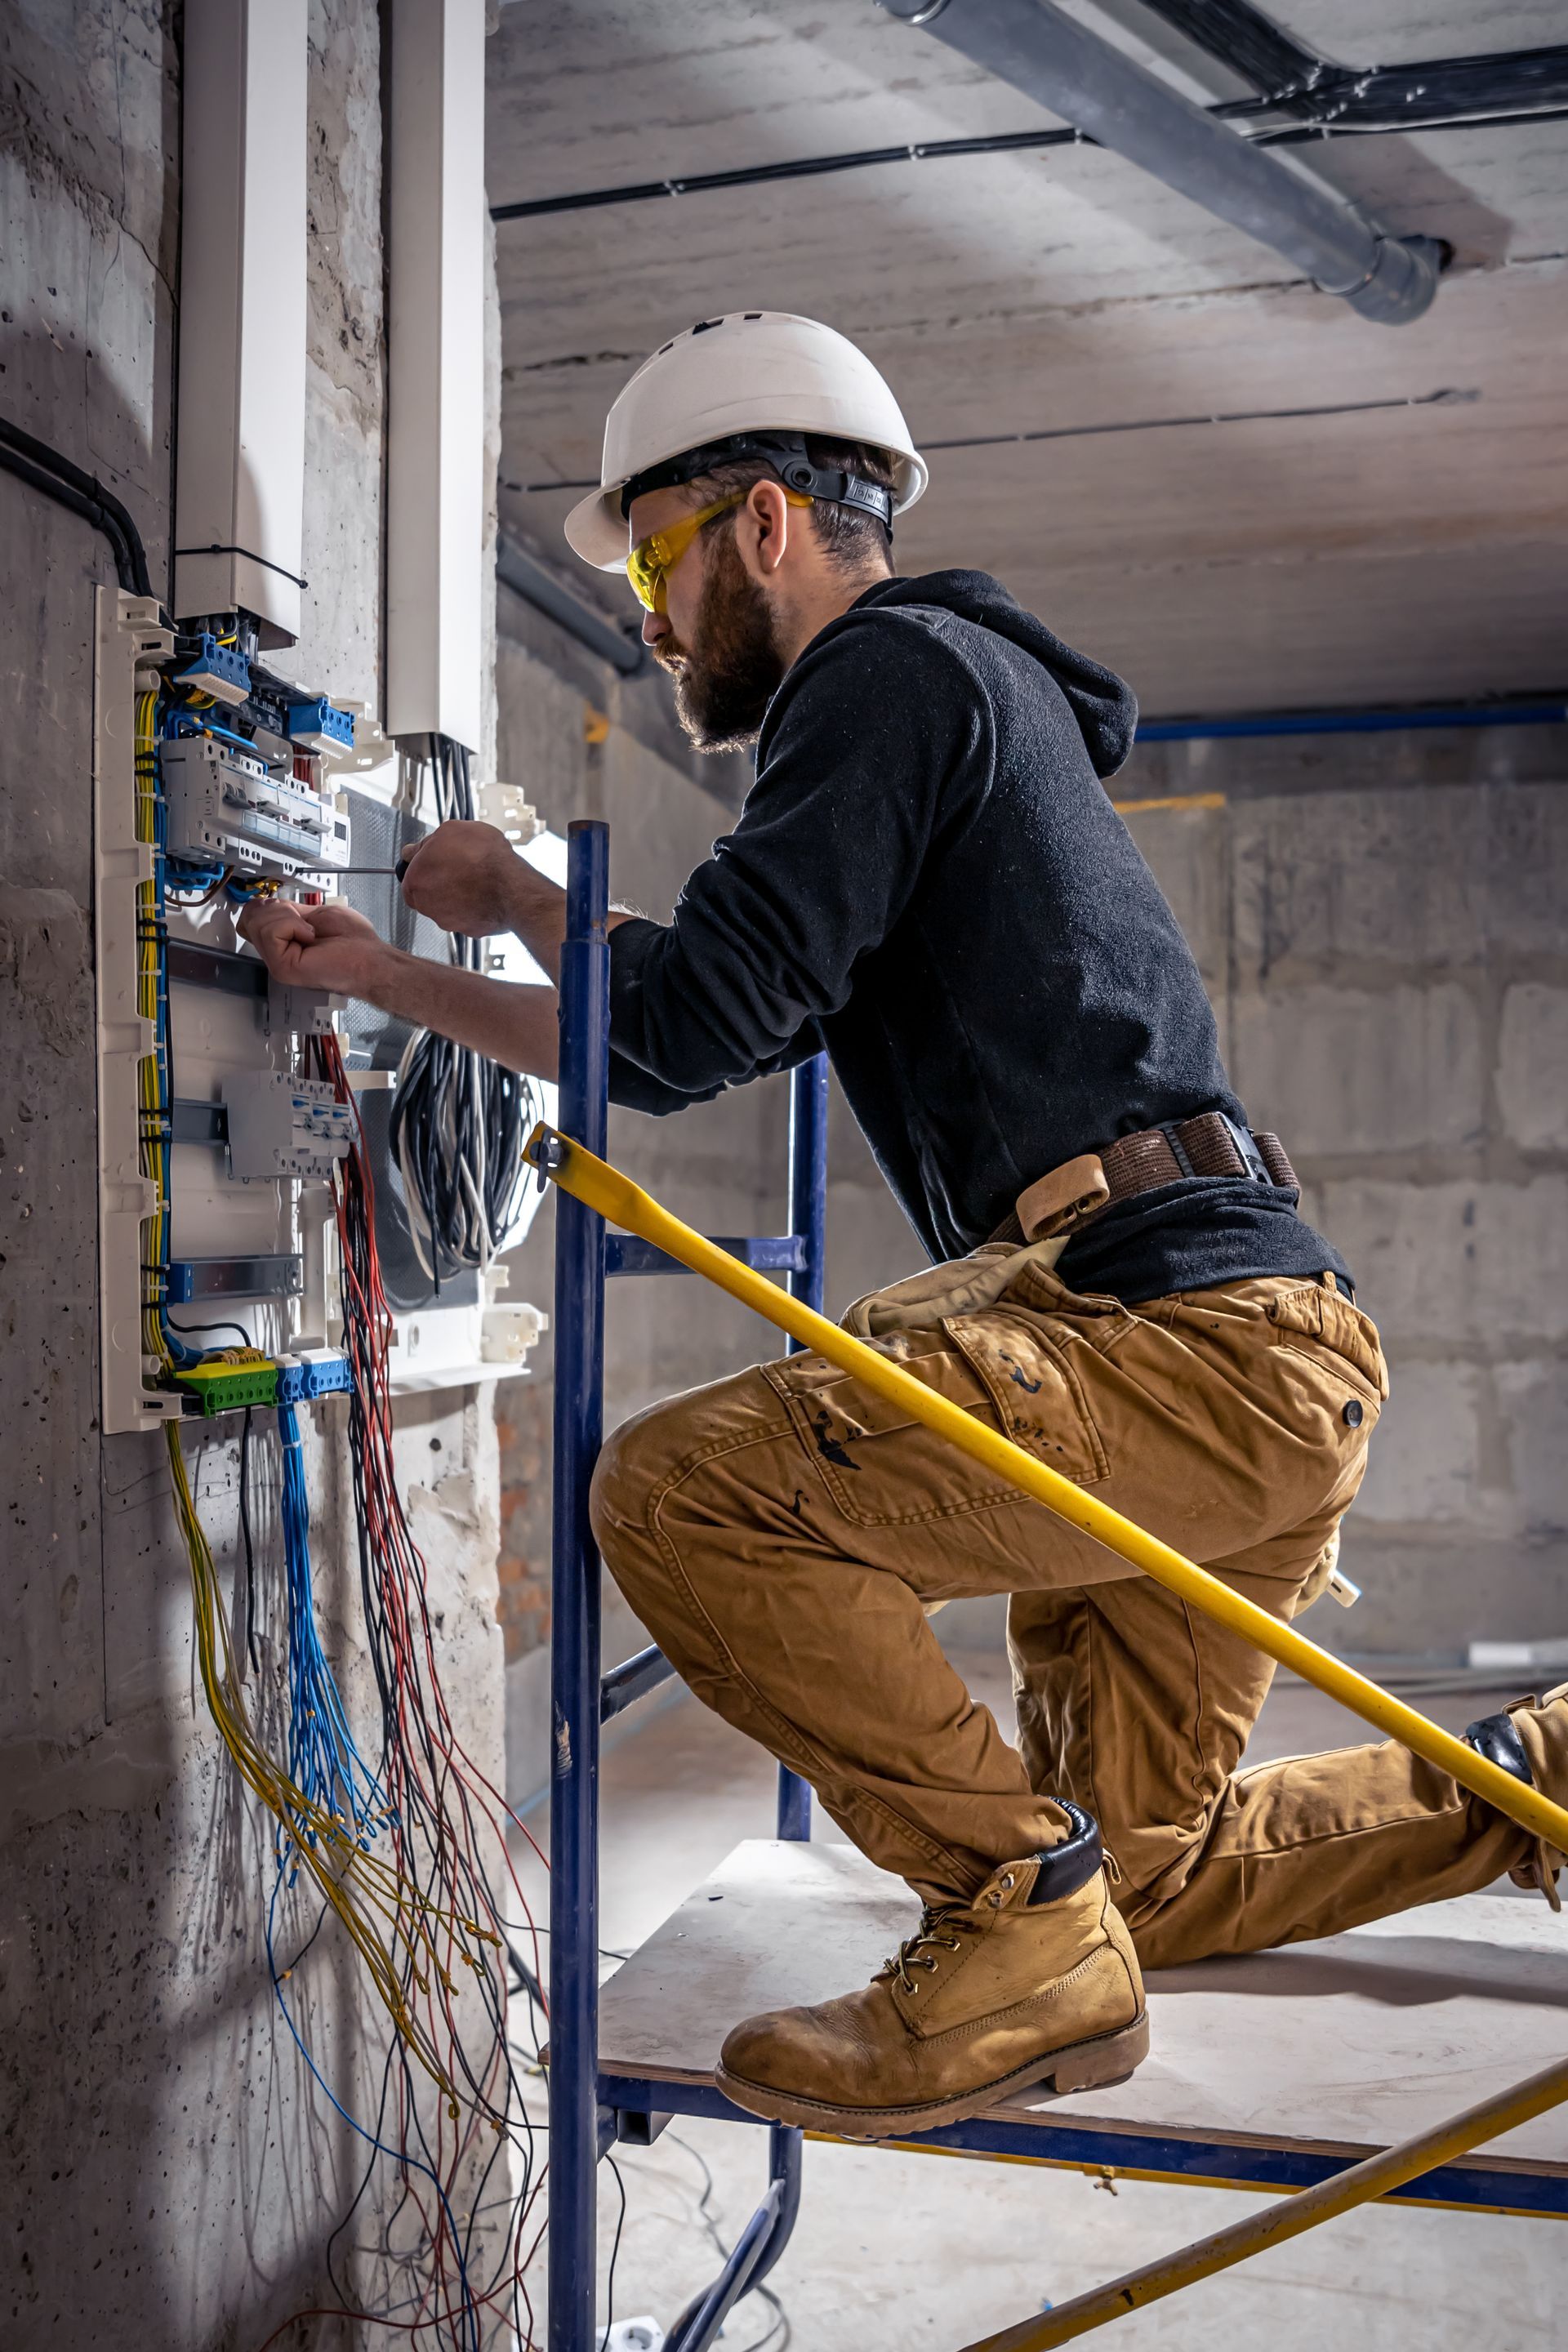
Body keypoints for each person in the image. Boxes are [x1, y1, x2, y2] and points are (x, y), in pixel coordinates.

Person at [240, 311, 1566, 2142]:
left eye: (655, 555)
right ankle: (1535, 1784)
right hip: (1258, 1349)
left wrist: (423, 943)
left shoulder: (881, 673)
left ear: (766, 522)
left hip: (1174, 1346)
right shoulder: (966, 690)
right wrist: (501, 922)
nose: (644, 611)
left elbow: (693, 1022)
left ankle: (1010, 1917)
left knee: (681, 1492)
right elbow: (730, 999)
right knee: (1151, 1888)